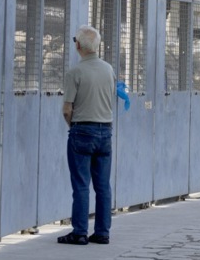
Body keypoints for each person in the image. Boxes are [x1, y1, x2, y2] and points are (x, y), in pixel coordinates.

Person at [59, 25, 116, 245]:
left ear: (78, 46)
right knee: (103, 186)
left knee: (81, 184)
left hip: (82, 130)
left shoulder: (75, 72)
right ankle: (102, 232)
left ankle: (80, 232)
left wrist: (73, 126)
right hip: (105, 131)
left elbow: (67, 109)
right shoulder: (108, 70)